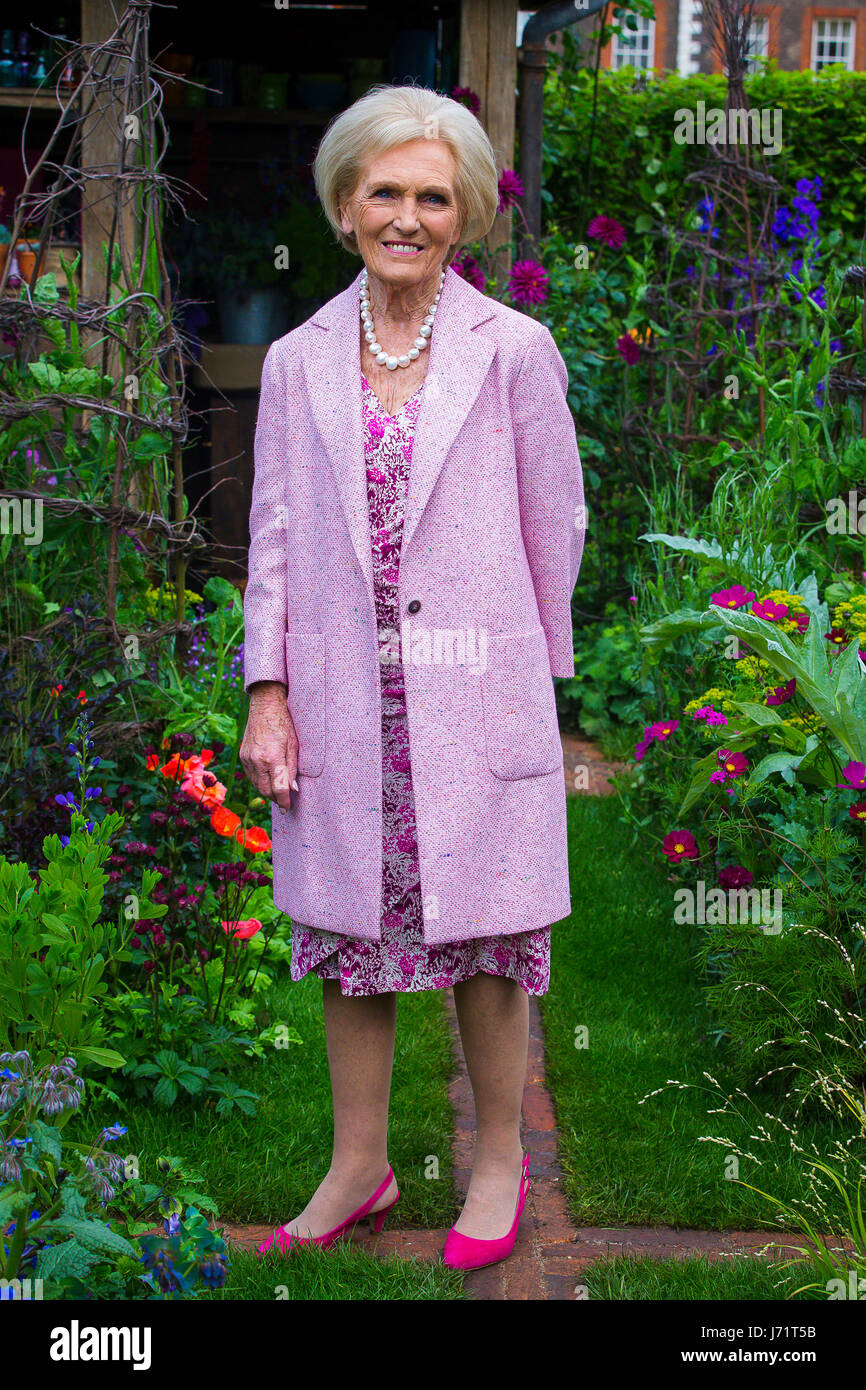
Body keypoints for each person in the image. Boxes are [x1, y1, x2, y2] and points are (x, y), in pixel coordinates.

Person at [240, 83, 585, 1271]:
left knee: (487, 935)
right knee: (354, 937)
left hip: (472, 691)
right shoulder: (295, 362)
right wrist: (267, 692)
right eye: (383, 191)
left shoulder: (513, 353)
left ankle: (498, 1160)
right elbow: (274, 538)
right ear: (344, 208)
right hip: (349, 697)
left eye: (433, 195)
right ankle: (359, 1164)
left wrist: (533, 695)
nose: (407, 215)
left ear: (466, 215)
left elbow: (557, 526)